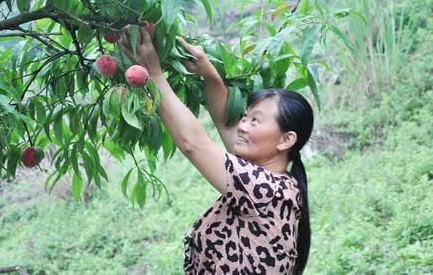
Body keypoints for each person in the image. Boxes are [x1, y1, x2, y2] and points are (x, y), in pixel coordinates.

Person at [117, 26, 313, 275]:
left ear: (286, 140)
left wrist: (154, 74)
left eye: (255, 121)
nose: (243, 126)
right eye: (246, 116)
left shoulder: (267, 191)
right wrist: (207, 71)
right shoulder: (279, 183)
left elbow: (193, 144)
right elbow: (227, 121)